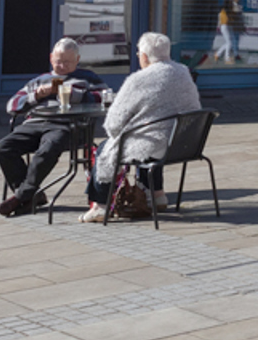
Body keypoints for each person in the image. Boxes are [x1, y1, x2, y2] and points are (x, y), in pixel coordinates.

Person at [80, 32, 202, 223]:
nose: (138, 56)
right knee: (151, 136)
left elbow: (114, 123)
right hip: (183, 144)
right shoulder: (183, 72)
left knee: (107, 147)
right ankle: (157, 195)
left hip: (156, 144)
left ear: (144, 56)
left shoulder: (139, 79)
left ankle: (100, 206)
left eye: (138, 53)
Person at [0, 38, 106, 217]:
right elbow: (12, 105)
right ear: (51, 58)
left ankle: (21, 196)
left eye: (67, 62)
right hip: (35, 123)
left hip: (67, 125)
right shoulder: (39, 80)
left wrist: (74, 94)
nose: (62, 66)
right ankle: (31, 196)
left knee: (49, 148)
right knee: (1, 149)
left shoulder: (88, 78)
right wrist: (36, 95)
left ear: (77, 60)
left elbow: (104, 97)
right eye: (58, 61)